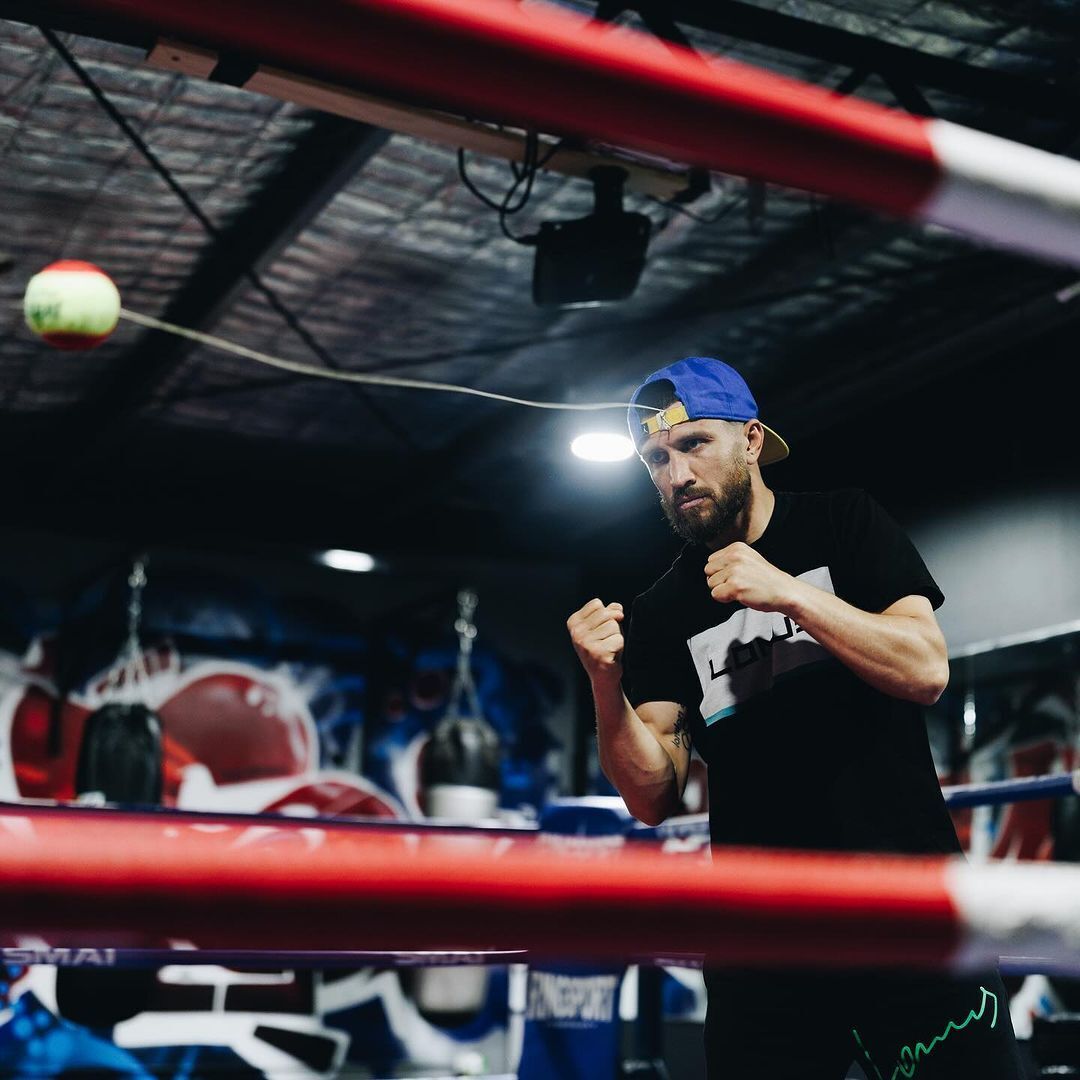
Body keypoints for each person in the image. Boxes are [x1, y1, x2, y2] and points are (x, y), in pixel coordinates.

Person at [566, 356, 1025, 1078]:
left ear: (751, 442)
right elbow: (652, 794)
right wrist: (603, 685)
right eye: (655, 458)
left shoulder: (844, 523)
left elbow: (926, 669)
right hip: (762, 935)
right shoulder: (661, 612)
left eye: (694, 445)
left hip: (902, 902)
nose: (676, 473)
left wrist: (789, 593)